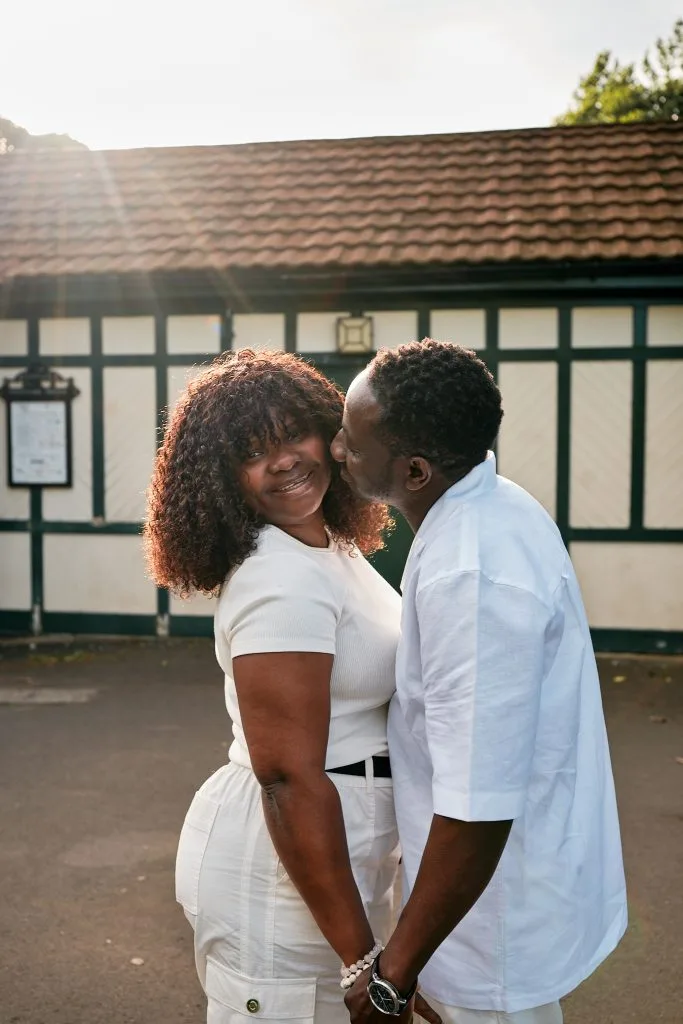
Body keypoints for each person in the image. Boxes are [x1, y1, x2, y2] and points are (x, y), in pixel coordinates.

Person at [331, 339, 627, 1024]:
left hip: (488, 927)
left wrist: (394, 974)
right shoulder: (493, 504)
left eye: (351, 438)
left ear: (411, 470)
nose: (336, 448)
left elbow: (477, 805)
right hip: (493, 899)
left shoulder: (470, 575)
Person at [144, 349, 438, 1024]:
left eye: (293, 435)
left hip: (327, 852)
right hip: (281, 868)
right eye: (252, 452)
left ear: (328, 433)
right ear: (222, 481)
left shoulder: (329, 546)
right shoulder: (278, 577)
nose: (282, 461)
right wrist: (366, 964)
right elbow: (285, 775)